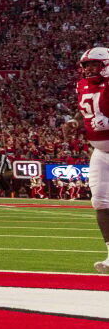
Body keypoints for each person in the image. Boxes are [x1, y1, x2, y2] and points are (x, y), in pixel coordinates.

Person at [68, 47, 109, 273]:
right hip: (100, 151)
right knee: (100, 202)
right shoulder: (82, 85)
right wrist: (75, 121)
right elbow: (84, 110)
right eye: (86, 65)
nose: (89, 69)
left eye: (94, 64)